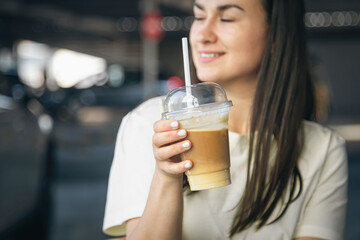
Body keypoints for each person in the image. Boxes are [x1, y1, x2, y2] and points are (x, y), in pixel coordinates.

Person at [103, 0, 348, 239]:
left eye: (226, 18)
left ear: (276, 36)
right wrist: (166, 178)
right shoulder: (149, 124)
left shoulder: (323, 150)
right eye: (199, 16)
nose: (202, 35)